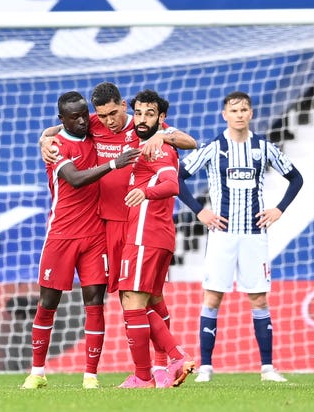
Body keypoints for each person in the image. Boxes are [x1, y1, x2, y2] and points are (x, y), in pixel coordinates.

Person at [39, 82, 197, 387]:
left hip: (139, 224)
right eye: (103, 115)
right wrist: (42, 140)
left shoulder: (144, 125)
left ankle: (163, 365)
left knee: (145, 298)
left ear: (123, 105)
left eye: (113, 113)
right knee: (138, 298)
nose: (108, 120)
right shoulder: (93, 123)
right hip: (108, 225)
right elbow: (55, 130)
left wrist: (163, 134)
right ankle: (160, 367)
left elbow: (189, 142)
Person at [178, 91, 303, 383]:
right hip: (222, 235)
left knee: (259, 299)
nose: (239, 114)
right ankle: (206, 367)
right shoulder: (213, 148)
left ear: (251, 113)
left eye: (244, 109)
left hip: (254, 235)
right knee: (212, 297)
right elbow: (178, 177)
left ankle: (268, 369)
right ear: (225, 115)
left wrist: (279, 209)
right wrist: (199, 211)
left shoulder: (264, 147)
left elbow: (296, 178)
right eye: (233, 110)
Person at [21, 91, 140, 390]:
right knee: (48, 303)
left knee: (95, 304)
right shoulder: (57, 146)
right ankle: (37, 372)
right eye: (74, 117)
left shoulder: (94, 131)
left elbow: (126, 125)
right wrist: (114, 165)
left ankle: (90, 376)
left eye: (85, 114)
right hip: (61, 234)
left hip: (94, 235)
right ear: (62, 119)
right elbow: (74, 178)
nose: (83, 121)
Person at [118, 89, 195, 389]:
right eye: (138, 113)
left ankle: (148, 373)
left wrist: (145, 192)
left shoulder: (159, 147)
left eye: (149, 114)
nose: (141, 119)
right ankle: (166, 365)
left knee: (133, 303)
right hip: (154, 235)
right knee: (150, 302)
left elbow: (172, 183)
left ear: (162, 118)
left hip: (145, 235)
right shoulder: (143, 141)